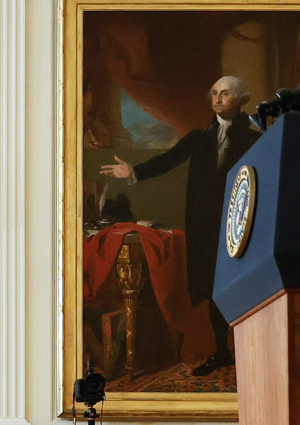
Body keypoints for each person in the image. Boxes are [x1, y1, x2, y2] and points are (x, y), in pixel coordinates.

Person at [99, 76, 261, 376]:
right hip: (205, 225)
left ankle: (252, 351)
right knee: (212, 287)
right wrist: (132, 171)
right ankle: (222, 351)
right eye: (213, 93)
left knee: (244, 285)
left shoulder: (254, 140)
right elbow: (167, 160)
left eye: (224, 94)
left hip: (242, 225)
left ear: (240, 100)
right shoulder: (199, 138)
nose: (217, 98)